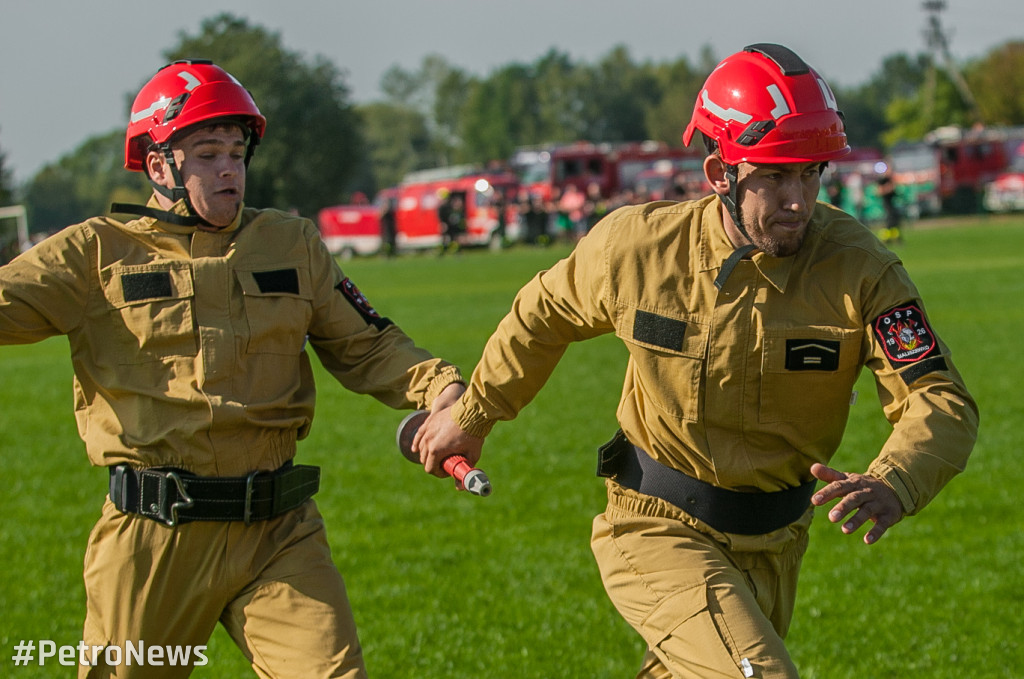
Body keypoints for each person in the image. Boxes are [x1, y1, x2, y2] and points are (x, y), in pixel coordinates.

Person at [413, 44, 978, 678]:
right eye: (774, 176)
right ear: (720, 173)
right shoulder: (638, 248)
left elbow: (940, 398)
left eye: (810, 173)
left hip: (776, 546)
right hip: (655, 529)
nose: (799, 199)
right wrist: (475, 412)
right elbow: (542, 314)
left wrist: (896, 479)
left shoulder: (860, 267)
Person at [0, 59, 466, 678]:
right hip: (154, 540)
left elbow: (368, 344)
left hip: (279, 532)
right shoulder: (95, 250)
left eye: (237, 153)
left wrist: (440, 386)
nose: (228, 168)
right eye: (207, 153)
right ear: (159, 163)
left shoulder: (291, 243)